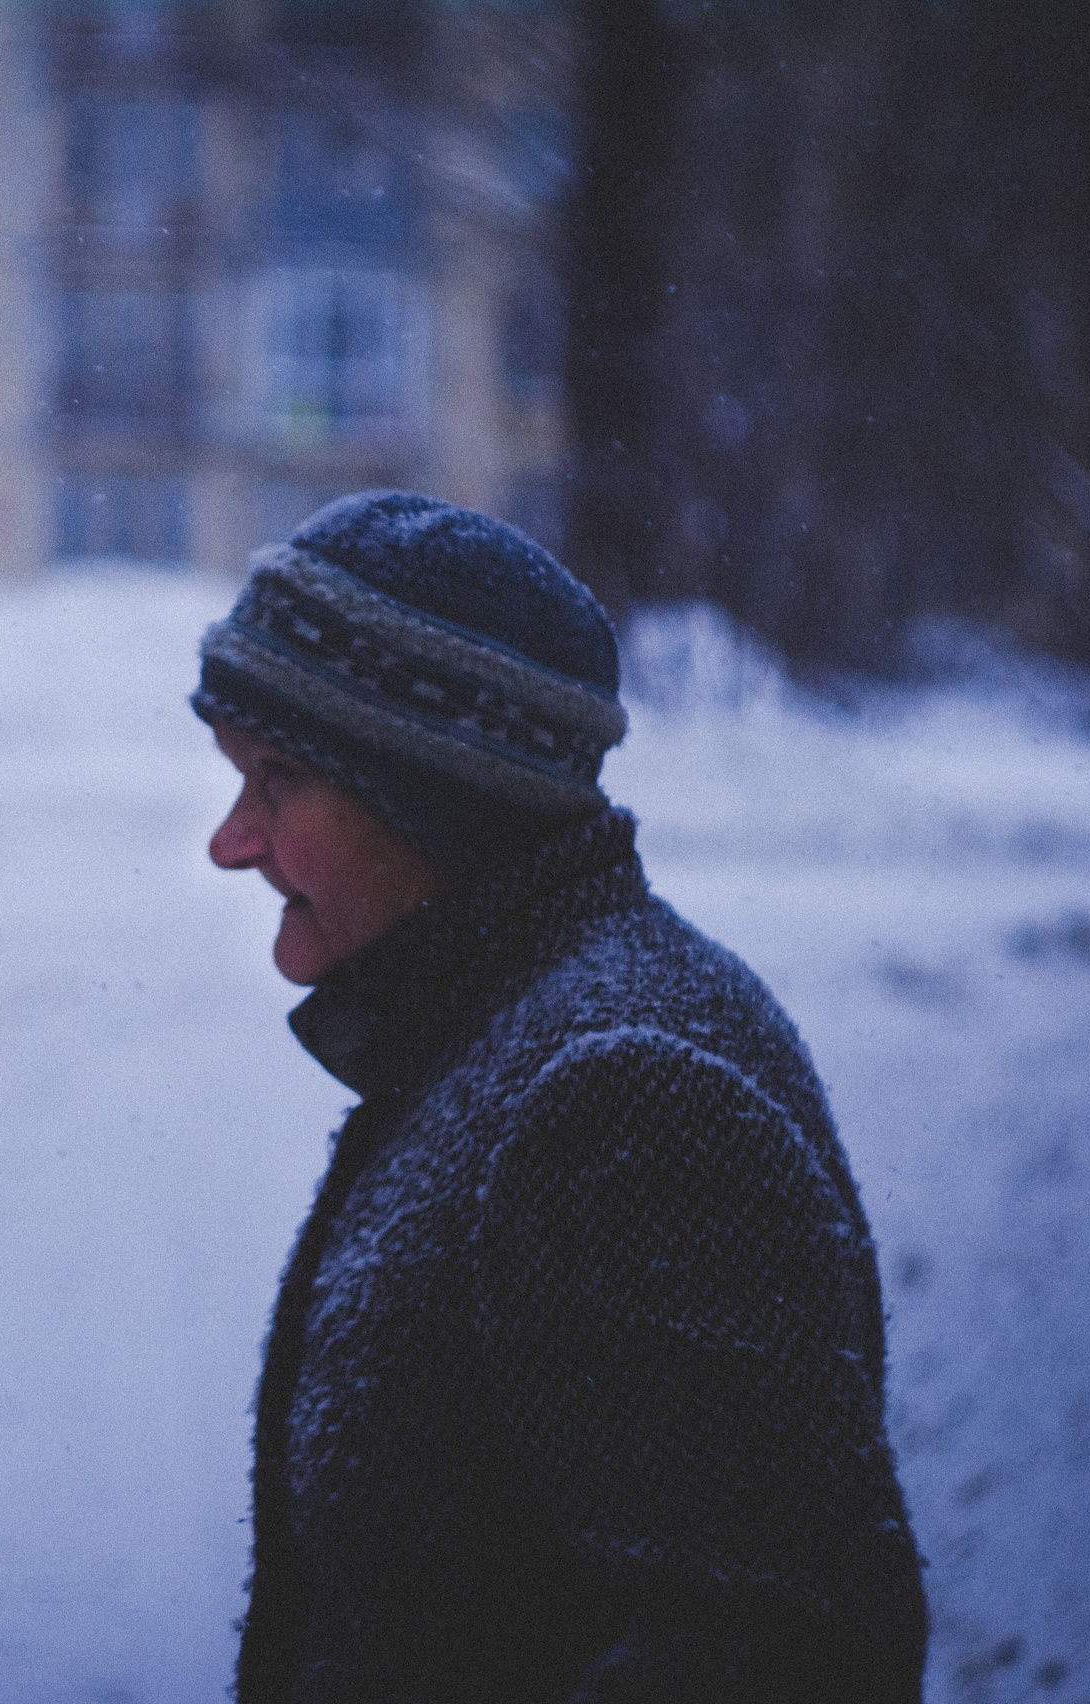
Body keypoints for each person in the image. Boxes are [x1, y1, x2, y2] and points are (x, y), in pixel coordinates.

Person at [194, 491, 927, 1701]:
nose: (229, 841)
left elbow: (773, 1659)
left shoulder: (623, 1101)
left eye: (277, 777)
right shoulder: (502, 1023)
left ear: (435, 791)